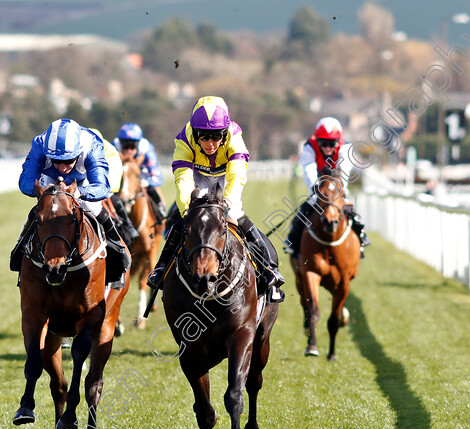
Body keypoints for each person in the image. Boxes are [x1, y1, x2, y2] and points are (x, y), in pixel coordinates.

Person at [146, 96, 284, 300]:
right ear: (195, 132)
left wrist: (229, 201)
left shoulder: (235, 137)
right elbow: (183, 178)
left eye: (216, 137)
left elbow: (236, 175)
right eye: (203, 137)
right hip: (198, 176)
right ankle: (161, 270)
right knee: (186, 219)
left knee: (236, 213)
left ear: (224, 133)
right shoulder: (184, 139)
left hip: (225, 176)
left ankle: (268, 268)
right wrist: (187, 209)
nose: (210, 143)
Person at [11, 118, 130, 287]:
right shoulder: (40, 143)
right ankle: (19, 251)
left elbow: (102, 187)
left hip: (81, 182)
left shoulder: (91, 145)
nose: (62, 166)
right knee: (42, 210)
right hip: (51, 182)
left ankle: (117, 249)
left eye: (68, 160)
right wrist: (45, 190)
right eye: (56, 160)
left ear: (78, 152)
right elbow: (25, 182)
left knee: (92, 206)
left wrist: (76, 192)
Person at [284, 117, 370, 258]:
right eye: (323, 143)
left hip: (337, 186)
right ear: (317, 140)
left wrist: (339, 192)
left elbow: (344, 173)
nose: (328, 148)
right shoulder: (309, 147)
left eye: (331, 143)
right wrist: (315, 190)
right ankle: (292, 241)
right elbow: (309, 172)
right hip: (319, 187)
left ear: (338, 141)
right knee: (304, 211)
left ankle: (361, 238)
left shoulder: (346, 147)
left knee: (350, 210)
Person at [113, 123, 167, 221]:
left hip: (143, 176)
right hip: (121, 177)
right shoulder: (114, 147)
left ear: (138, 144)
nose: (129, 150)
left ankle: (161, 215)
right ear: (120, 143)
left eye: (132, 146)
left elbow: (158, 177)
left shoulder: (147, 150)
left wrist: (147, 182)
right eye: (125, 146)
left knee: (155, 191)